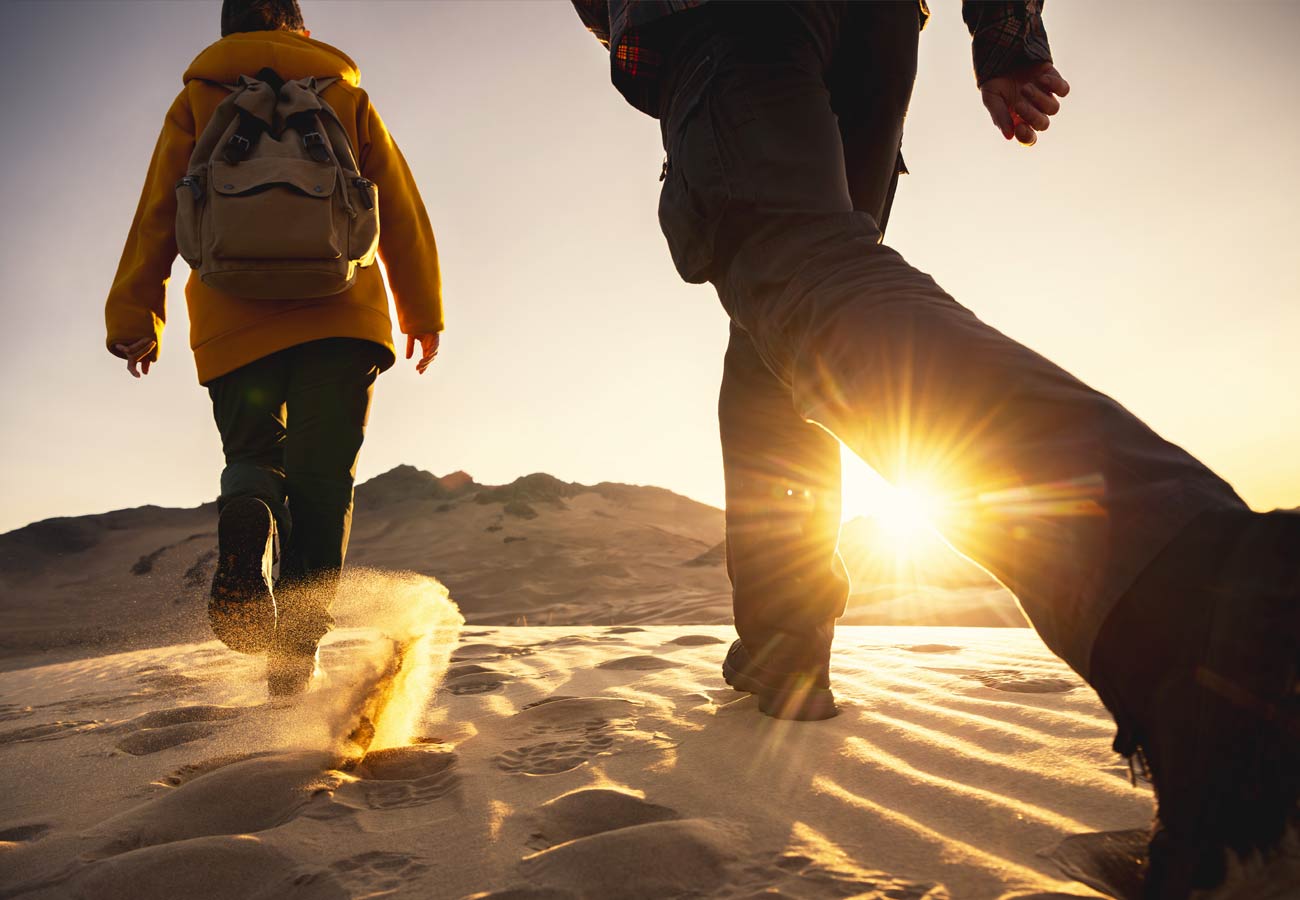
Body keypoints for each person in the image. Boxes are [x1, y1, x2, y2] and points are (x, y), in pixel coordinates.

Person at [570, 1, 1298, 896]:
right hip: (874, 29)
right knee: (785, 333)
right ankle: (784, 648)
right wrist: (1005, 34)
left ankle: (1220, 631)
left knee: (804, 278)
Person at [105, 0, 443, 696]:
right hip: (341, 316)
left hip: (233, 315)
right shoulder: (342, 91)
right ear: (301, 26)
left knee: (254, 456)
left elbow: (159, 211)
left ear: (228, 30)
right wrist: (422, 308)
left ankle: (251, 503)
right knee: (323, 485)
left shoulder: (200, 95)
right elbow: (398, 205)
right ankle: (294, 658)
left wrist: (135, 311)